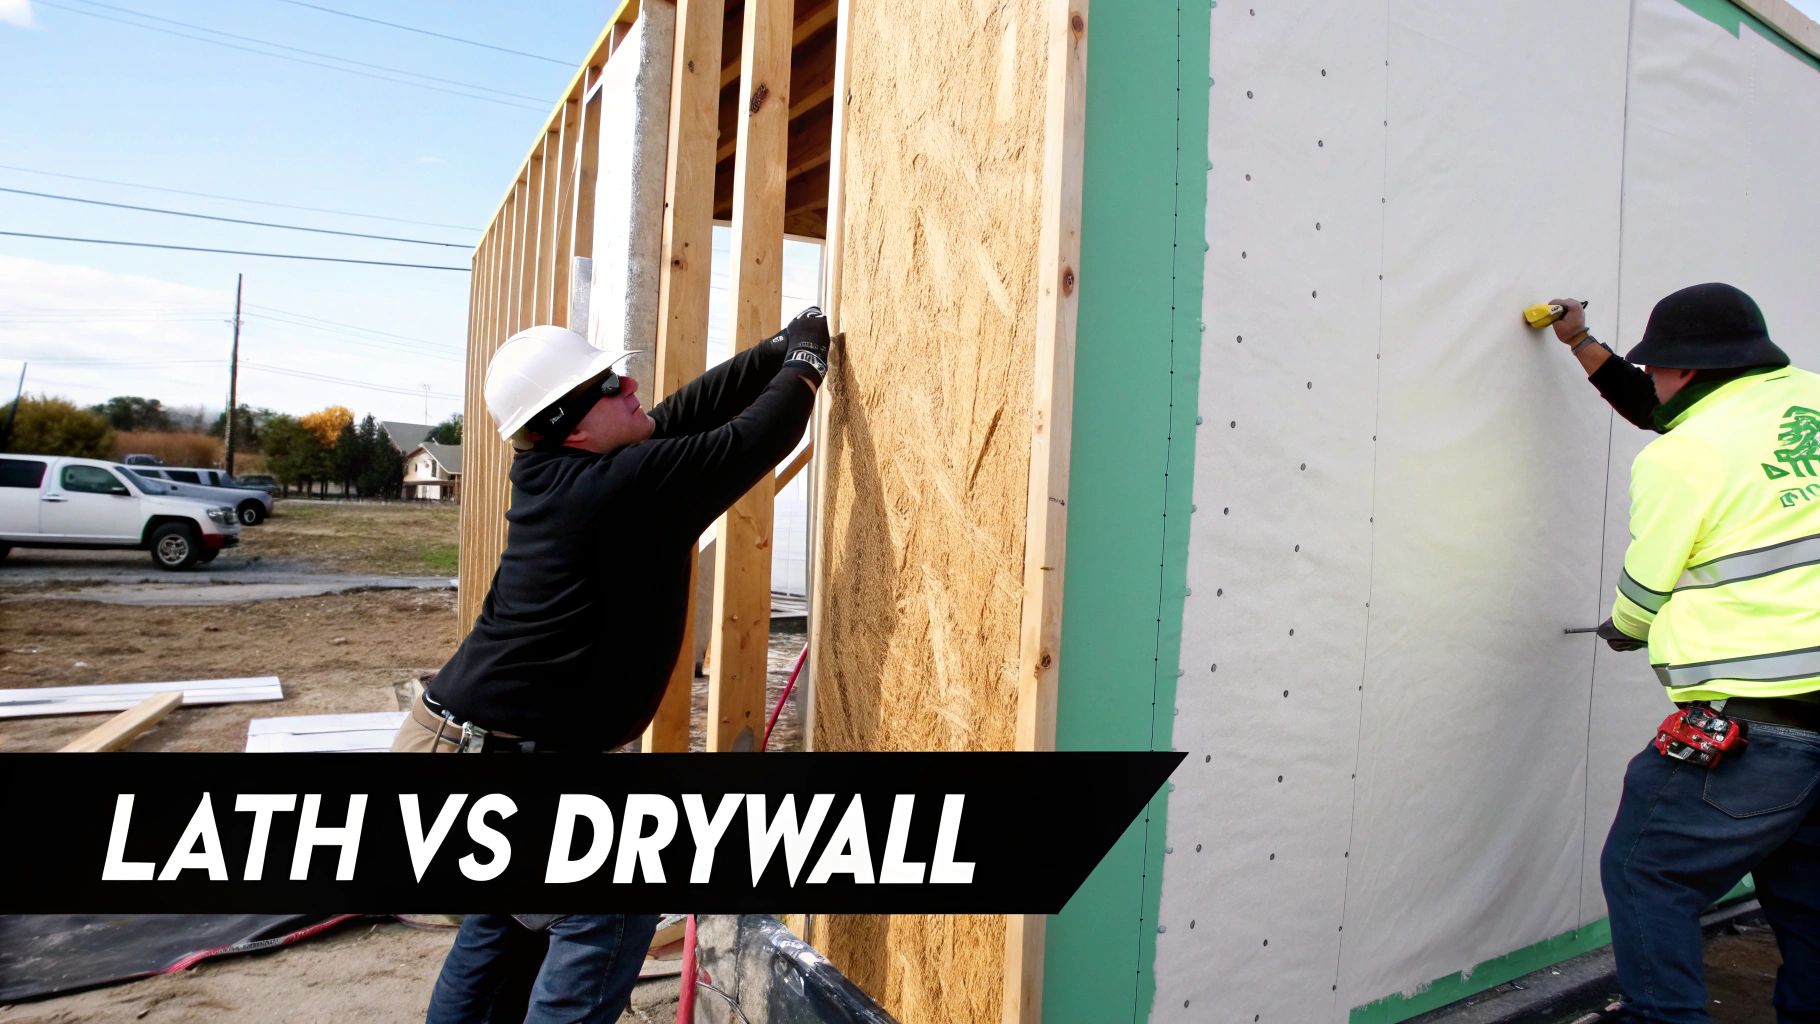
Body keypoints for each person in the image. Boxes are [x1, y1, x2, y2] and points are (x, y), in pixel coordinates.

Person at [392, 307, 835, 1023]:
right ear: (570, 425)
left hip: (476, 749)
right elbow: (753, 438)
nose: (628, 385)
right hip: (481, 759)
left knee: (511, 924)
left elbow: (681, 413)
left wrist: (773, 349)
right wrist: (805, 365)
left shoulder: (574, 465)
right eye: (606, 385)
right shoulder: (612, 489)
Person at [1555, 283, 1820, 1023]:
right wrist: (1582, 344)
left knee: (1649, 872)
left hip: (1764, 727)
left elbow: (1645, 588)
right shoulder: (1804, 397)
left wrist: (1625, 627)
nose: (1653, 379)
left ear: (1690, 370)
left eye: (1658, 366)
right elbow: (1661, 406)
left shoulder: (1685, 456)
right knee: (1808, 898)